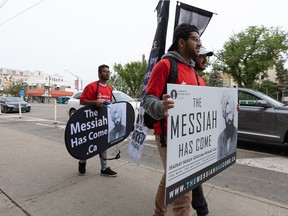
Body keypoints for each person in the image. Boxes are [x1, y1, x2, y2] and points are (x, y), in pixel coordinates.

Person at [143, 23, 202, 216]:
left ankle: (158, 213)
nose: (199, 43)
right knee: (184, 186)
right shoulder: (165, 65)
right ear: (182, 42)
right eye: (195, 39)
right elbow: (147, 99)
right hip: (168, 136)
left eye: (200, 39)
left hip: (189, 137)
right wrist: (161, 106)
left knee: (172, 178)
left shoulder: (194, 73)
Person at [78, 64, 117, 177]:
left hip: (103, 121)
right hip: (91, 121)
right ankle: (82, 161)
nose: (107, 73)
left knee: (103, 144)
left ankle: (104, 168)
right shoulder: (91, 86)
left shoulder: (110, 88)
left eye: (108, 71)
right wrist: (94, 102)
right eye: (105, 71)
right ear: (99, 74)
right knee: (87, 143)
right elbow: (82, 101)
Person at [191, 46, 214, 216]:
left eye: (206, 57)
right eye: (202, 56)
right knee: (192, 171)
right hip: (177, 135)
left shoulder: (202, 81)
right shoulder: (182, 75)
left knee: (190, 172)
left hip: (196, 134)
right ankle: (202, 208)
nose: (205, 60)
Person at [217, 91, 238, 160]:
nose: (228, 118)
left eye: (230, 113)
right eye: (226, 114)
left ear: (233, 113)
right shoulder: (220, 138)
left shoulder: (236, 133)